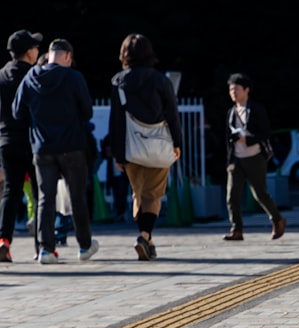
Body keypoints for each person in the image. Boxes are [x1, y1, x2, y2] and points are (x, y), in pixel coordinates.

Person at [12, 38, 98, 264]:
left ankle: (46, 250)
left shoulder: (31, 76)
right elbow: (87, 111)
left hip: (42, 148)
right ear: (68, 56)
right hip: (72, 146)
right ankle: (85, 246)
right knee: (77, 196)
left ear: (49, 54)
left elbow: (17, 112)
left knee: (45, 198)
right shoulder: (74, 77)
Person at [109, 33, 182, 259]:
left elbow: (116, 120)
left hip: (131, 147)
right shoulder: (161, 80)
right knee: (154, 193)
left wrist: (118, 154)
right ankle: (145, 234)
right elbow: (172, 114)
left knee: (138, 192)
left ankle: (145, 237)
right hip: (159, 145)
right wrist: (177, 143)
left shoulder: (118, 81)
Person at [223, 73, 286, 241]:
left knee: (260, 194)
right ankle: (236, 230)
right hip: (236, 158)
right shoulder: (231, 112)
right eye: (230, 89)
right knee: (232, 196)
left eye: (236, 89)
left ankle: (277, 219)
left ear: (246, 90)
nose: (233, 92)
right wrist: (229, 160)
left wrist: (247, 139)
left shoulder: (256, 109)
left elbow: (266, 133)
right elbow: (228, 138)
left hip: (255, 156)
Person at [0, 29, 42, 262]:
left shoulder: (1, 75)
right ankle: (42, 245)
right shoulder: (35, 74)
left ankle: (3, 240)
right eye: (35, 47)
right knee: (38, 192)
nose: (37, 51)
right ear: (28, 53)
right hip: (31, 139)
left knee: (11, 192)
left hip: (6, 140)